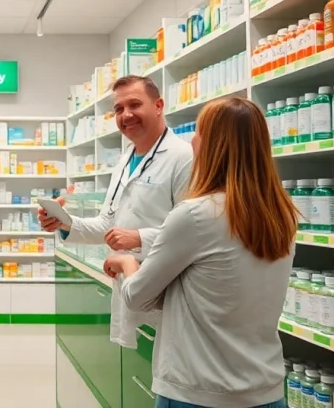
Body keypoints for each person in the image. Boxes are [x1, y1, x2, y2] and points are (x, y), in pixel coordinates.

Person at [105, 97, 296, 408]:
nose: (192, 139)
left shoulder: (195, 215)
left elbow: (137, 297)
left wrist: (127, 262)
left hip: (197, 392)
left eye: (199, 131)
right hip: (266, 391)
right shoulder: (282, 214)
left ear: (212, 145)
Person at [40, 75, 193, 347]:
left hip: (168, 289)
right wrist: (64, 222)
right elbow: (107, 224)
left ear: (158, 105)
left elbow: (195, 234)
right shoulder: (125, 160)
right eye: (119, 109)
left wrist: (139, 238)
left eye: (135, 105)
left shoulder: (184, 157)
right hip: (129, 283)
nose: (126, 115)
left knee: (166, 366)